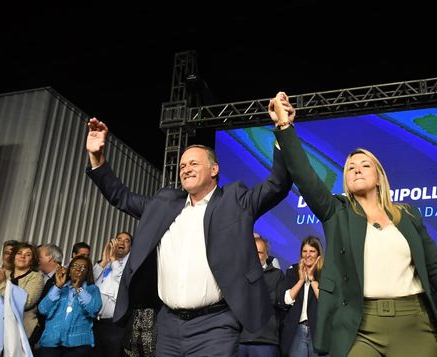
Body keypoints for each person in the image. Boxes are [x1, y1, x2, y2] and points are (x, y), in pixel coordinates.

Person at [269, 92, 437, 357]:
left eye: (364, 165)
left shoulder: (408, 215)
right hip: (361, 325)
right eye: (350, 167)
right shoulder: (337, 212)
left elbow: (436, 268)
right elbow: (304, 176)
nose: (356, 169)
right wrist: (284, 126)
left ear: (378, 177)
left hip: (415, 323)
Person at [85, 117, 292, 355]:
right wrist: (97, 158)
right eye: (182, 166)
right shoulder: (164, 204)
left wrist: (282, 130)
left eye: (194, 163)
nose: (186, 169)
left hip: (215, 325)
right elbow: (121, 196)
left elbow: (277, 184)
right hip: (168, 325)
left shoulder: (235, 201)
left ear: (214, 169)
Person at [0, 242, 44, 356]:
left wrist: (2, 284)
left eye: (28, 255)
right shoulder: (4, 273)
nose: (22, 256)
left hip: (16, 337)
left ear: (32, 260)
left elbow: (26, 302)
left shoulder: (36, 277)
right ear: (13, 257)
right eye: (19, 253)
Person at [37, 256, 102, 356]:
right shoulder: (59, 287)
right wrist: (58, 286)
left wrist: (79, 288)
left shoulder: (92, 289)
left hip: (78, 346)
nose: (77, 269)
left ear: (87, 272)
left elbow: (94, 309)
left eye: (82, 267)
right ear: (69, 270)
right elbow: (43, 309)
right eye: (74, 266)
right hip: (51, 343)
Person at [238, 236, 285, 356]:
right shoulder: (239, 274)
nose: (255, 255)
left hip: (265, 340)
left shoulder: (277, 275)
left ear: (267, 255)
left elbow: (275, 300)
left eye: (259, 252)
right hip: (240, 338)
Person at [279, 236, 324, 356]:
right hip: (296, 331)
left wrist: (312, 279)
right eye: (305, 251)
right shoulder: (292, 272)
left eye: (312, 251)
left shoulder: (326, 273)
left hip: (318, 332)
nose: (308, 255)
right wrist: (300, 281)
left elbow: (326, 303)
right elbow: (285, 301)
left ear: (318, 254)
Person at [92, 232, 132, 357]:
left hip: (115, 326)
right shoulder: (106, 264)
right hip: (95, 324)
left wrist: (114, 260)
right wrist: (104, 261)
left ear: (130, 247)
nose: (121, 242)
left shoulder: (130, 266)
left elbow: (121, 286)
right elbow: (89, 283)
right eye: (119, 239)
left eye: (126, 241)